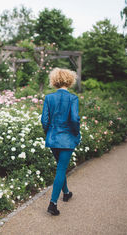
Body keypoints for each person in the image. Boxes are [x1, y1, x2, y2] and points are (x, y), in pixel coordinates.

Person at [41, 68, 81, 216]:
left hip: (53, 138)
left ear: (54, 80)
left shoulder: (49, 98)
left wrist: (49, 133)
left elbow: (44, 120)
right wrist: (76, 134)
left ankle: (66, 192)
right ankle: (52, 203)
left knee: (60, 167)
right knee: (61, 169)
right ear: (70, 80)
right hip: (67, 139)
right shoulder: (73, 98)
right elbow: (75, 119)